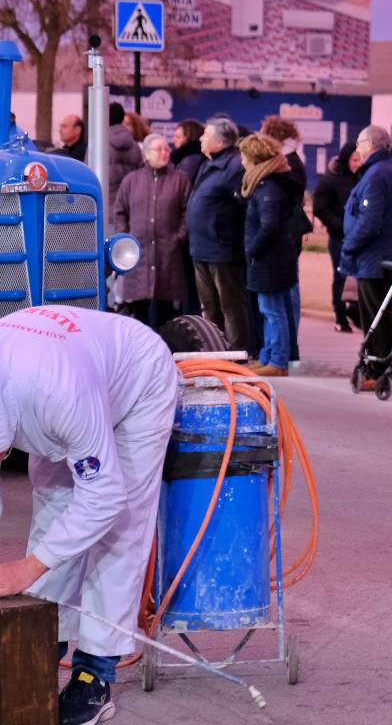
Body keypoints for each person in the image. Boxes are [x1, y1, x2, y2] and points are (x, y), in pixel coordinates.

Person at [0, 306, 180, 725]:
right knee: (54, 512)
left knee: (117, 527)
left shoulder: (56, 394)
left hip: (136, 381)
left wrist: (25, 570)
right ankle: (41, 646)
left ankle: (93, 676)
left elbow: (104, 496)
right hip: (65, 374)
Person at [339, 125, 392, 390]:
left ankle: (379, 371)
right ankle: (380, 368)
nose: (356, 148)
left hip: (375, 257)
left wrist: (350, 245)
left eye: (359, 142)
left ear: (371, 144)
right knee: (379, 314)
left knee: (376, 317)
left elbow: (370, 221)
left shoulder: (378, 174)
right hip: (380, 254)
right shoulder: (386, 170)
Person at [112, 134, 191, 329]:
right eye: (159, 149)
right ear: (146, 154)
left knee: (166, 310)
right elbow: (119, 211)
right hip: (139, 253)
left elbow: (188, 213)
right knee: (139, 311)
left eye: (167, 149)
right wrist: (126, 237)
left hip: (168, 253)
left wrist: (178, 237)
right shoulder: (131, 180)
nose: (165, 153)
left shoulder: (180, 180)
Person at [186, 118, 250, 352]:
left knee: (230, 305)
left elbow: (243, 204)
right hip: (201, 247)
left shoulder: (234, 166)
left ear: (220, 141)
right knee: (209, 305)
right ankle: (215, 351)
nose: (201, 139)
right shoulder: (208, 164)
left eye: (206, 135)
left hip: (222, 248)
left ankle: (236, 353)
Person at [240, 133, 299, 377]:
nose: (241, 161)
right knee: (268, 310)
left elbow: (268, 227)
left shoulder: (269, 189)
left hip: (270, 260)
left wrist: (251, 250)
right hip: (269, 259)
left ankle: (278, 361)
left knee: (273, 311)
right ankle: (267, 355)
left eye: (243, 156)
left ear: (254, 159)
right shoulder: (265, 185)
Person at [261, 115, 308, 364]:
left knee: (287, 294)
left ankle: (289, 349)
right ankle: (287, 348)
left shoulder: (287, 163)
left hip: (287, 236)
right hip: (290, 235)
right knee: (286, 294)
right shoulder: (292, 160)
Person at [313, 141, 361, 333]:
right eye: (354, 159)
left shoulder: (363, 178)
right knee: (341, 276)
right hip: (339, 237)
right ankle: (341, 317)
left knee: (359, 277)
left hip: (360, 237)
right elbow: (320, 208)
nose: (358, 163)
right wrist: (340, 226)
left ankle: (356, 312)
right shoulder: (331, 179)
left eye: (360, 159)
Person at [107, 103, 143, 223]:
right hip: (130, 211)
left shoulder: (98, 145)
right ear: (122, 118)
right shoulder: (135, 147)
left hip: (104, 209)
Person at [170, 118, 206, 184]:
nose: (173, 140)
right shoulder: (182, 156)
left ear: (190, 138)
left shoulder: (190, 160)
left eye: (178, 137)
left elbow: (178, 185)